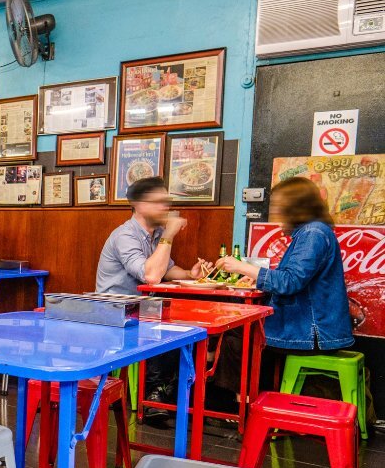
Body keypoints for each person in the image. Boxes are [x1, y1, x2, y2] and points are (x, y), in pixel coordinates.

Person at [214, 177, 353, 394]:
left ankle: (231, 407)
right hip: (309, 328)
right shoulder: (312, 232)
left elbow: (290, 282)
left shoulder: (313, 233)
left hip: (311, 333)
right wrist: (257, 278)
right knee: (239, 335)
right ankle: (251, 401)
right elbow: (294, 279)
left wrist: (242, 267)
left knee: (236, 339)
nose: (277, 213)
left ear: (294, 206)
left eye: (280, 207)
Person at [95, 176, 209, 421]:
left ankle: (172, 393)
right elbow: (152, 274)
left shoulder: (154, 234)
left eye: (166, 202)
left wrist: (190, 273)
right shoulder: (125, 235)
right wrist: (169, 233)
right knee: (164, 327)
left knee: (185, 326)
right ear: (138, 204)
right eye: (158, 202)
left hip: (138, 309)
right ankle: (154, 396)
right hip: (113, 312)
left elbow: (166, 269)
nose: (165, 207)